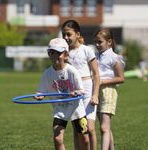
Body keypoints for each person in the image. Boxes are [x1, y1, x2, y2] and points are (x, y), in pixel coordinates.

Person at [34, 38, 90, 150]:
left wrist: (77, 92)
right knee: (57, 139)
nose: (55, 56)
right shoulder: (47, 74)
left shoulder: (72, 71)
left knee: (84, 139)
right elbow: (41, 91)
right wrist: (39, 95)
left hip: (76, 109)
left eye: (58, 53)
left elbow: (81, 90)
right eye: (51, 53)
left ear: (66, 55)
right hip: (60, 110)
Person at [61, 19, 100, 150]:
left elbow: (96, 74)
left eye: (68, 34)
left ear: (77, 34)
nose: (66, 37)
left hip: (87, 90)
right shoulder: (64, 53)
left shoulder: (87, 50)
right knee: (78, 129)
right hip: (73, 92)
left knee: (89, 128)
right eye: (64, 35)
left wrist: (95, 95)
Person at [94, 28, 124, 150]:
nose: (97, 45)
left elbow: (121, 78)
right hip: (96, 91)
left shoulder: (114, 57)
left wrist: (103, 81)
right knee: (104, 126)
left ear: (109, 42)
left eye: (99, 42)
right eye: (95, 42)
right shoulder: (95, 56)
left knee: (104, 128)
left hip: (109, 91)